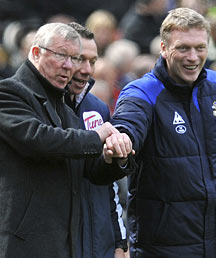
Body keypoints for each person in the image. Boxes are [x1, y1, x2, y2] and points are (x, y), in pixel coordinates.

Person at [111, 7, 216, 258]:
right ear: (164, 48)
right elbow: (127, 127)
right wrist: (122, 139)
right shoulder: (141, 93)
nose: (193, 57)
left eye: (200, 47)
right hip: (163, 246)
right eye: (183, 48)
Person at [0, 22, 136, 258]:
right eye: (62, 56)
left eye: (74, 58)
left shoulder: (64, 107)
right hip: (21, 244)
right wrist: (97, 137)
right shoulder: (7, 93)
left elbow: (90, 171)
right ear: (36, 53)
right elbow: (39, 140)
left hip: (62, 242)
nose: (70, 66)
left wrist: (112, 157)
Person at [65, 22, 128, 258]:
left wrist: (119, 242)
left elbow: (109, 185)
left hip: (100, 243)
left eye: (93, 61)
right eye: (80, 59)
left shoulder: (98, 108)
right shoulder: (37, 106)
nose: (87, 69)